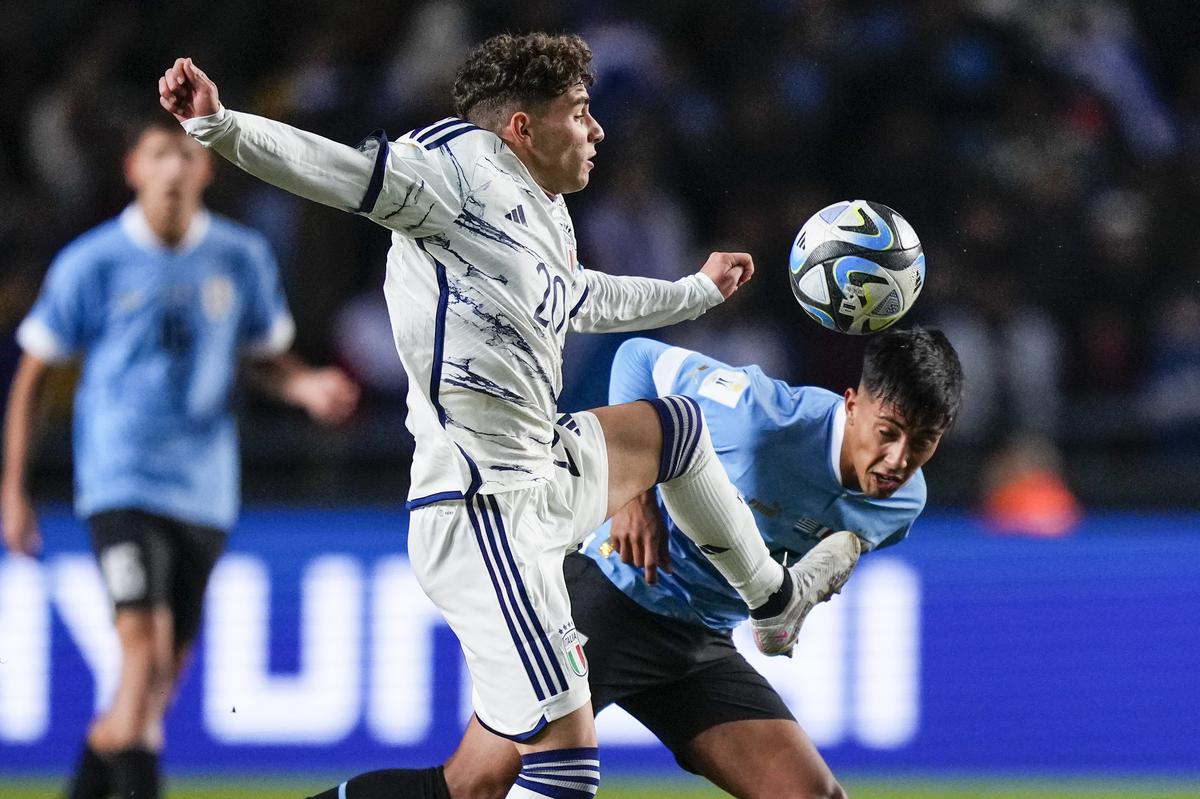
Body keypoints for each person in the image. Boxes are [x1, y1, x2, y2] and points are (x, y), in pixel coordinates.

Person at [158, 34, 860, 799]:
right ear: (523, 127)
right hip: (482, 504)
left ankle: (773, 601)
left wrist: (692, 291)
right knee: (565, 758)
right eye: (581, 113)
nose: (597, 131)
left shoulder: (544, 210)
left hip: (545, 467)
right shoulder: (452, 172)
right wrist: (220, 124)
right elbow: (340, 172)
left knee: (679, 431)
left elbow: (581, 297)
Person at [398, 327, 964, 799]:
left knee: (812, 796)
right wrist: (631, 495)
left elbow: (828, 538)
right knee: (475, 785)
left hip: (699, 644)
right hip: (607, 601)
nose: (898, 460)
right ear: (851, 403)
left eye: (924, 443)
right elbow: (637, 356)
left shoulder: (904, 503)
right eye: (887, 434)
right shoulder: (759, 420)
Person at [0, 117, 359, 799]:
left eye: (186, 154)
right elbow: (32, 377)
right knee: (144, 648)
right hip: (120, 479)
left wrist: (305, 384)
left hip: (205, 489)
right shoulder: (92, 262)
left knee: (149, 697)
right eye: (159, 154)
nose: (173, 168)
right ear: (134, 168)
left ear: (207, 170)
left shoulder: (240, 256)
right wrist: (13, 488)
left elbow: (261, 359)